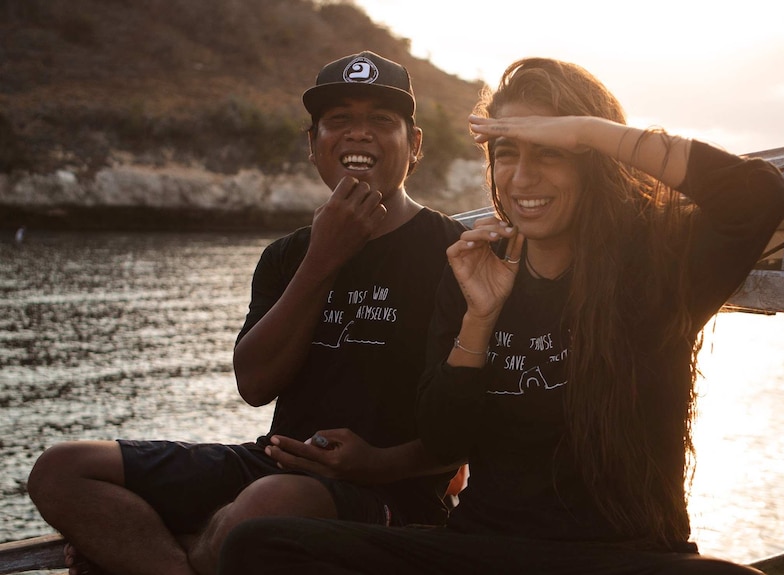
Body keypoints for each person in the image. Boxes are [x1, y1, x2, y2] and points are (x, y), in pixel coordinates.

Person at [215, 58, 784, 575]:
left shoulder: (661, 267)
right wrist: (478, 320)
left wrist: (589, 129)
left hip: (626, 558)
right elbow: (444, 437)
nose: (520, 177)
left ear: (594, 160)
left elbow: (757, 195)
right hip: (482, 550)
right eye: (506, 152)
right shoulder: (473, 271)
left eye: (550, 151)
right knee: (261, 545)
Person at [27, 50, 465, 575]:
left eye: (380, 120)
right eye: (339, 121)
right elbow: (255, 384)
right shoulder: (287, 255)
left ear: (414, 145)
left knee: (261, 510)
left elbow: (479, 422)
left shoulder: (456, 254)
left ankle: (169, 555)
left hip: (392, 491)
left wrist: (376, 463)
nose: (358, 134)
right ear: (312, 144)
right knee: (62, 471)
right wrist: (323, 258)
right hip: (273, 462)